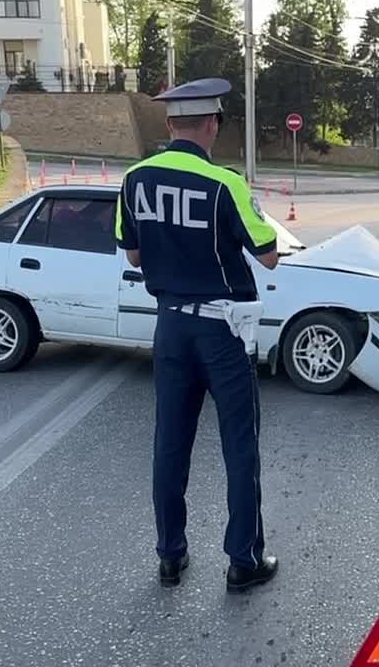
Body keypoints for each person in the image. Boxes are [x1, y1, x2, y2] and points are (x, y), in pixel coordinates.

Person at [115, 77, 281, 594]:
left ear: (169, 126)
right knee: (238, 445)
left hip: (171, 327)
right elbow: (270, 254)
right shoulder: (225, 183)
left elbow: (134, 255)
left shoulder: (134, 179)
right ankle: (242, 561)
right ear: (213, 124)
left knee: (170, 443)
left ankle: (170, 555)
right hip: (223, 332)